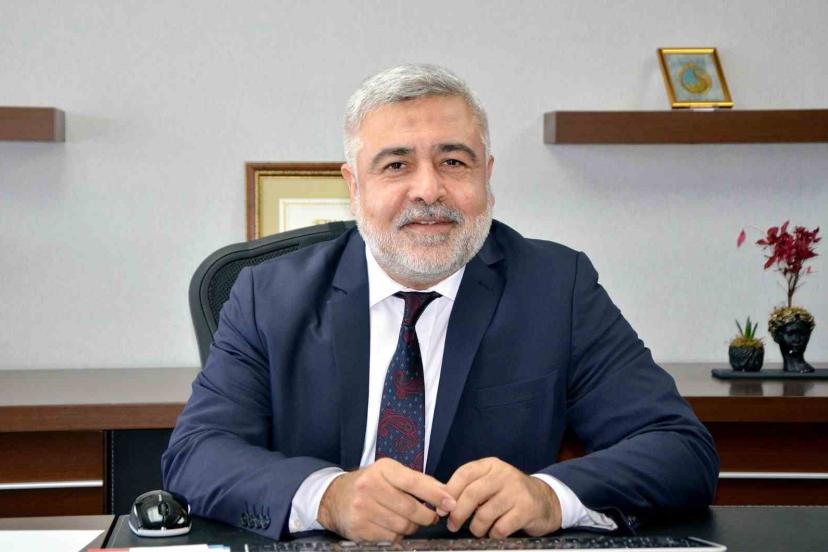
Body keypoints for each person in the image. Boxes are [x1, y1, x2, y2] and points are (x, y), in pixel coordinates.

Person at [162, 64, 718, 543]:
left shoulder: (555, 288)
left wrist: (550, 497)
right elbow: (197, 453)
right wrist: (327, 497)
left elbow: (679, 447)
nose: (429, 190)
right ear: (353, 186)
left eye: (453, 162)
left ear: (487, 176)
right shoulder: (268, 296)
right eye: (396, 165)